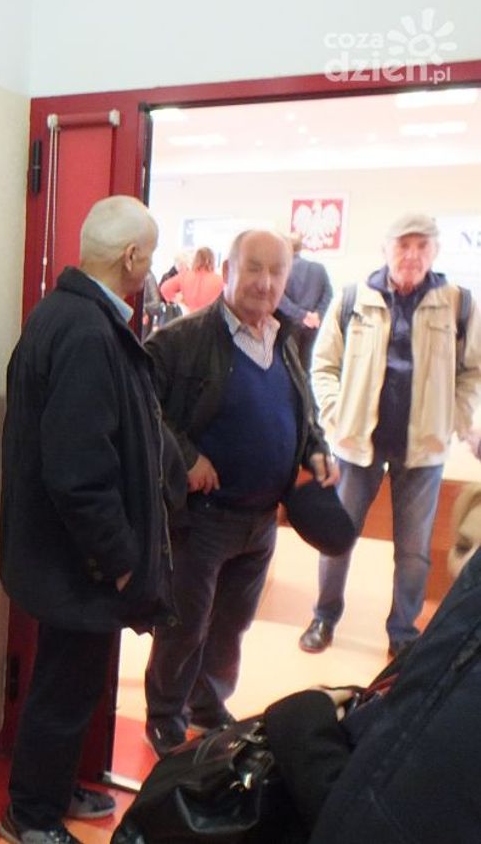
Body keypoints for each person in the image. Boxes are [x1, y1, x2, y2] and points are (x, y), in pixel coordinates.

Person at [0, 196, 178, 844]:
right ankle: (30, 816)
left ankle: (50, 788)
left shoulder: (69, 315)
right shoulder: (86, 332)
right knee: (63, 689)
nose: (151, 268)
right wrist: (123, 560)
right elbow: (79, 473)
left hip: (67, 555)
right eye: (149, 256)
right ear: (131, 257)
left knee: (69, 685)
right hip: (79, 561)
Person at [141, 230, 338, 756]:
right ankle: (165, 715)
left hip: (262, 520)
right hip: (201, 518)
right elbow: (141, 408)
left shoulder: (285, 337)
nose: (266, 282)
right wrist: (186, 458)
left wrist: (315, 449)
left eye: (277, 271)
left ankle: (207, 705)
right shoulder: (182, 339)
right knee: (185, 626)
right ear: (228, 271)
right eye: (254, 268)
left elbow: (302, 410)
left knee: (231, 625)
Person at [300, 212, 481, 659]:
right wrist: (336, 415)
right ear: (386, 249)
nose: (412, 255)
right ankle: (324, 616)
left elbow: (472, 371)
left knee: (414, 550)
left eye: (422, 246)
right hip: (358, 445)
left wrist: (454, 419)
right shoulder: (353, 298)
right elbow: (323, 365)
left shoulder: (458, 303)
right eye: (403, 245)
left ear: (435, 251)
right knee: (337, 536)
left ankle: (402, 632)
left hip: (423, 450)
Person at [263, 502, 481, 844]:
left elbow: (383, 819)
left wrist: (302, 722)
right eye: (463, 547)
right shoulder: (443, 648)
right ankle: (325, 617)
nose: (466, 569)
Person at [278, 232, 333, 369]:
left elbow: (279, 299)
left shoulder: (280, 270)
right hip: (314, 327)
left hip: (288, 326)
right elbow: (328, 295)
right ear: (301, 247)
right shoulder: (319, 269)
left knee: (290, 369)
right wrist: (317, 315)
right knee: (309, 368)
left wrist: (302, 315)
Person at [159, 246, 224, 314]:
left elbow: (164, 288)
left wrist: (181, 301)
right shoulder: (220, 281)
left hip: (189, 316)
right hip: (210, 317)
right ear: (212, 261)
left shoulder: (185, 276)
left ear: (195, 259)